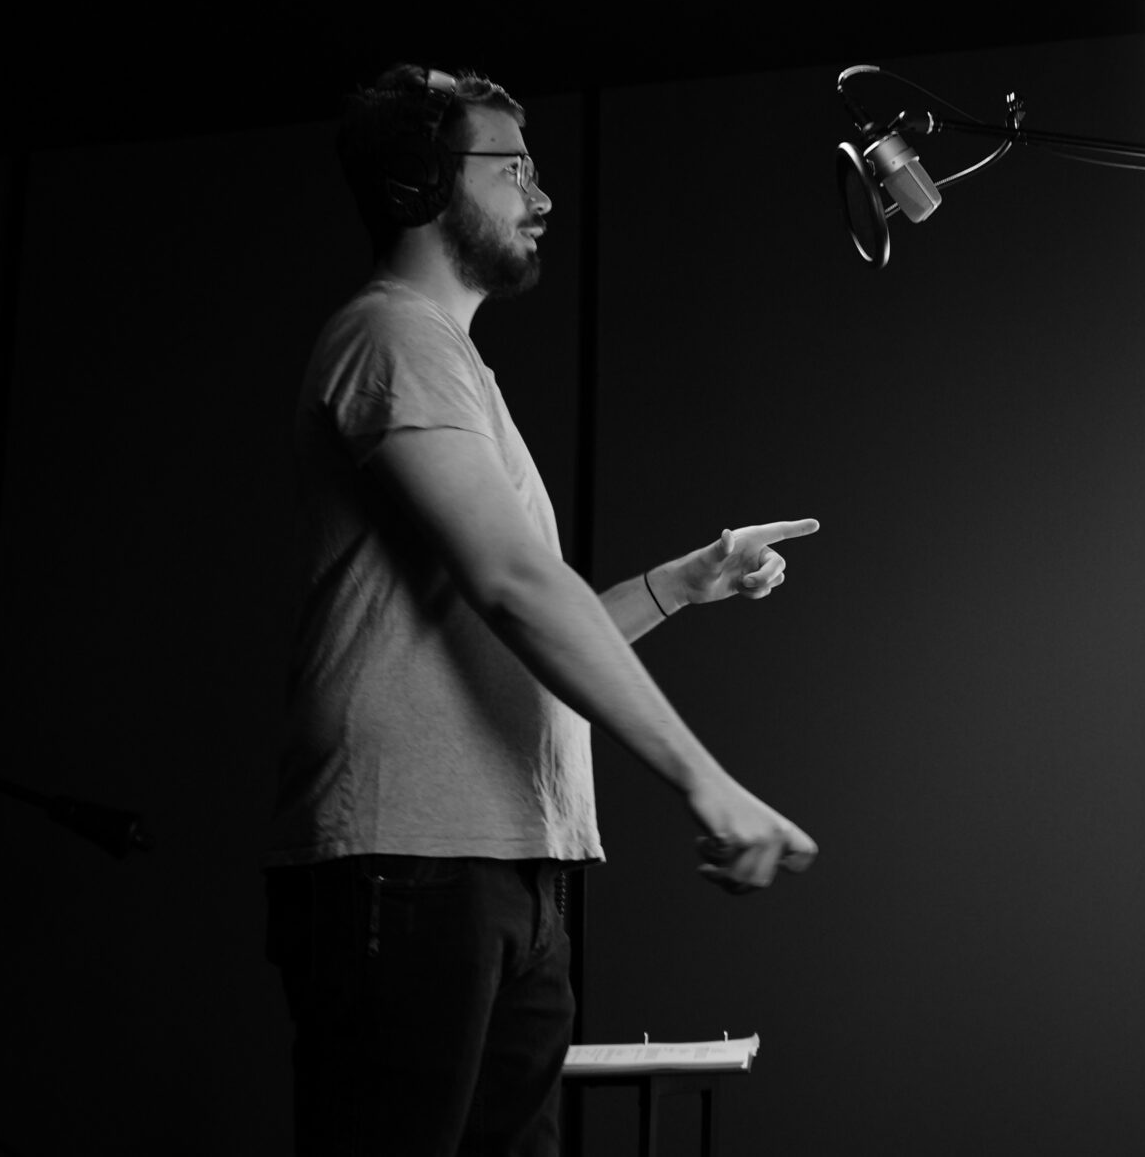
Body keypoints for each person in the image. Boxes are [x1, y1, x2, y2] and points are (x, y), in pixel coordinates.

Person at [264, 64, 818, 1157]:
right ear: (425, 181)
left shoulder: (458, 366)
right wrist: (705, 780)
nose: (541, 192)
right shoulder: (395, 340)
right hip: (407, 861)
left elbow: (511, 629)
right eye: (510, 165)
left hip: (513, 865)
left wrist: (683, 582)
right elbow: (518, 586)